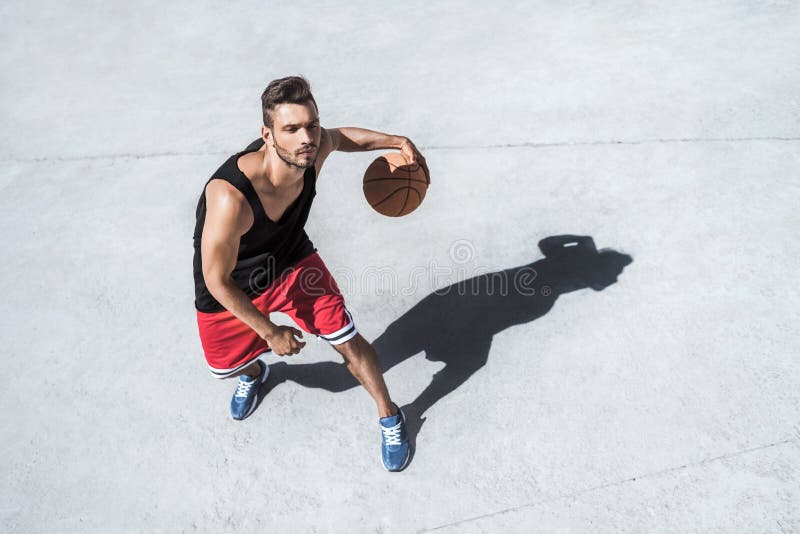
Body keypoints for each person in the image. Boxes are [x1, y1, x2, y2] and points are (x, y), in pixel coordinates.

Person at [192, 76, 429, 472]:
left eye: (312, 124)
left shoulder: (313, 150)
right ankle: (257, 371)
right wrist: (269, 331)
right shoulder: (230, 197)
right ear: (267, 135)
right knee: (228, 367)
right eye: (292, 129)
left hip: (291, 260)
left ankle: (390, 415)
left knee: (347, 339)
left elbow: (343, 138)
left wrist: (396, 140)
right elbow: (217, 280)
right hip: (233, 285)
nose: (308, 137)